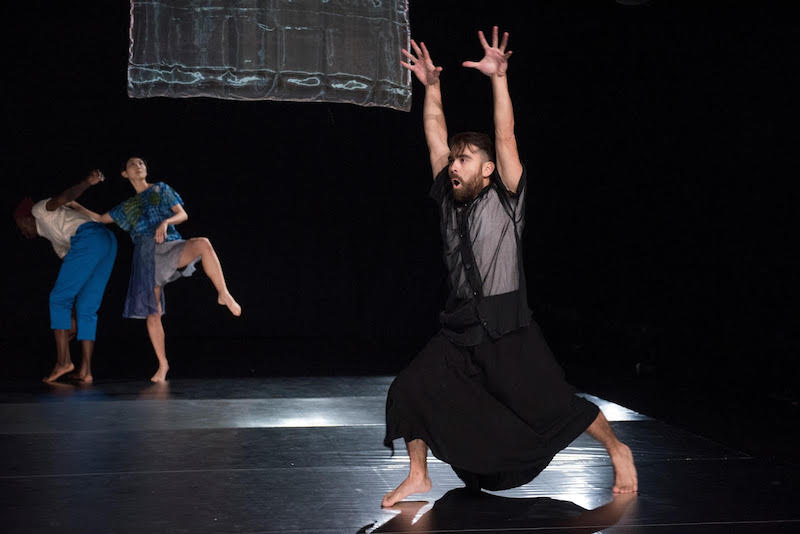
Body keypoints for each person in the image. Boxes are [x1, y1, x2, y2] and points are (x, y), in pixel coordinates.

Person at [381, 27, 638, 508]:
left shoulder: (507, 197)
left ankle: (617, 448)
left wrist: (498, 79)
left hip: (509, 326)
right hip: (460, 326)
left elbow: (505, 134)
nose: (454, 164)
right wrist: (432, 89)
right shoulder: (447, 199)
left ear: (488, 169)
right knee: (409, 389)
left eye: (465, 158)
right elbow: (435, 137)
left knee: (557, 406)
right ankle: (419, 474)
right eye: (453, 159)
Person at [72, 157, 241, 382]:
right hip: (146, 255)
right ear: (125, 174)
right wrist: (74, 205)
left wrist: (165, 222)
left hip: (169, 245)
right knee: (153, 313)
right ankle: (163, 365)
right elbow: (100, 219)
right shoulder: (128, 206)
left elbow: (183, 214)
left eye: (141, 163)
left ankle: (223, 293)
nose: (139, 166)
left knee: (203, 243)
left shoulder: (160, 189)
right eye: (133, 164)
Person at [13, 170, 117, 384]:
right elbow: (72, 281)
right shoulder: (57, 243)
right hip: (106, 242)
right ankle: (86, 371)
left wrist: (87, 182)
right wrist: (69, 318)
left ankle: (63, 362)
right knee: (86, 308)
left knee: (57, 299)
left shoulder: (39, 210)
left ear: (26, 218)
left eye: (20, 225)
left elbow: (63, 198)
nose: (22, 232)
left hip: (89, 236)